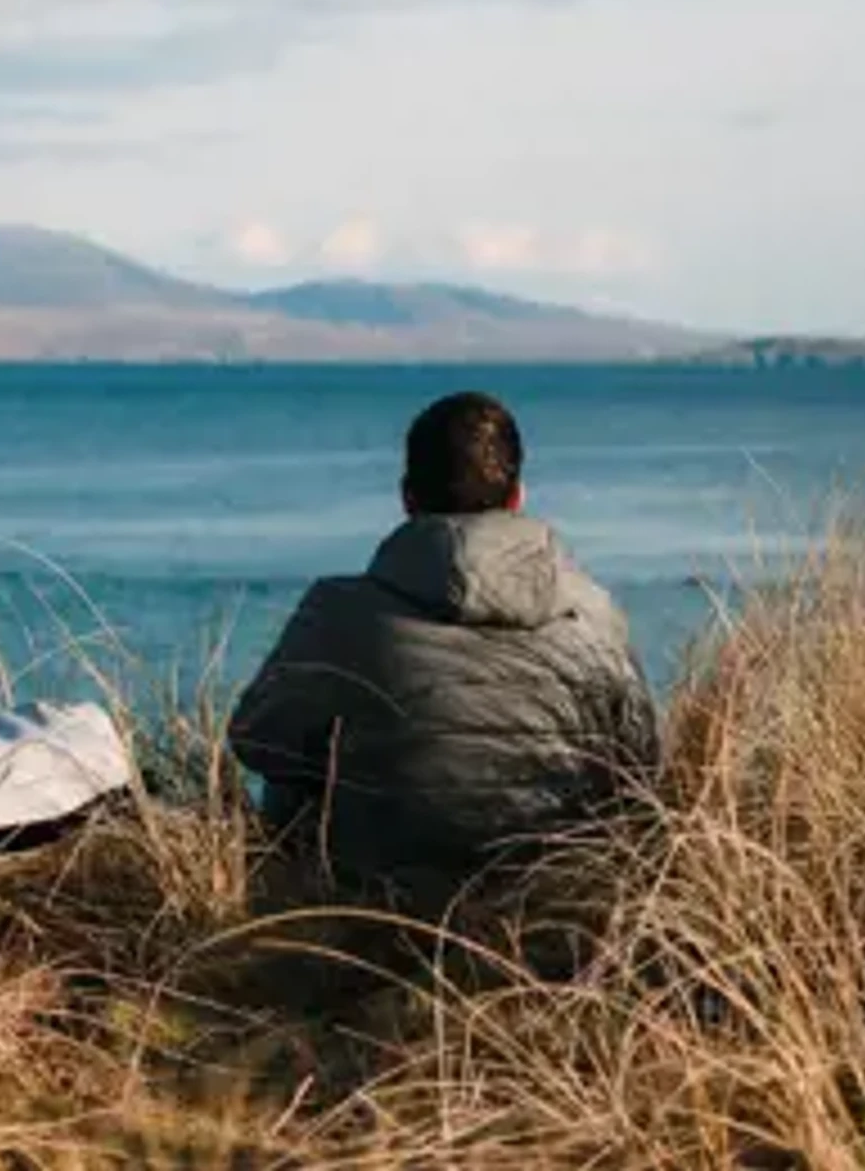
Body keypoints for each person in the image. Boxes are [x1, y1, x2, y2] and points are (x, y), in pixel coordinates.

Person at [229, 391, 660, 914]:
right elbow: (641, 773)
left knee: (292, 772)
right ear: (518, 497)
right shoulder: (596, 614)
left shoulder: (339, 611)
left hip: (374, 906)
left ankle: (281, 947)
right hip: (553, 907)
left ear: (407, 499)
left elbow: (256, 740)